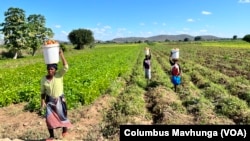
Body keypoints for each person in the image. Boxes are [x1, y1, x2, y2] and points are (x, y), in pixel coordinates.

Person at [41, 49, 72, 141]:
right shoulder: (44, 79)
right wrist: (42, 102)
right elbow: (42, 92)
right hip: (49, 101)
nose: (50, 71)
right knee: (48, 118)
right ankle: (51, 136)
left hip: (59, 99)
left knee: (62, 115)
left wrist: (61, 54)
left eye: (52, 69)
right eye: (48, 69)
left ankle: (64, 130)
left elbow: (66, 66)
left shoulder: (59, 75)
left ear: (55, 70)